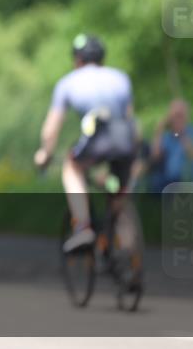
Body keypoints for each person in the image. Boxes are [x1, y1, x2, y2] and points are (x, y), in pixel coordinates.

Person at [34, 34, 139, 253]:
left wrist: (45, 153)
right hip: (125, 140)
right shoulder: (121, 78)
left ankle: (83, 227)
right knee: (117, 191)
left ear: (77, 60)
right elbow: (130, 120)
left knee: (72, 167)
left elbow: (51, 129)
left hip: (97, 139)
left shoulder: (68, 82)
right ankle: (131, 258)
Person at [148, 98, 193, 192]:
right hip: (165, 184)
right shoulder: (167, 136)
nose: (177, 120)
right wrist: (159, 131)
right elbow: (155, 156)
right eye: (174, 116)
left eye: (180, 116)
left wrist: (182, 134)